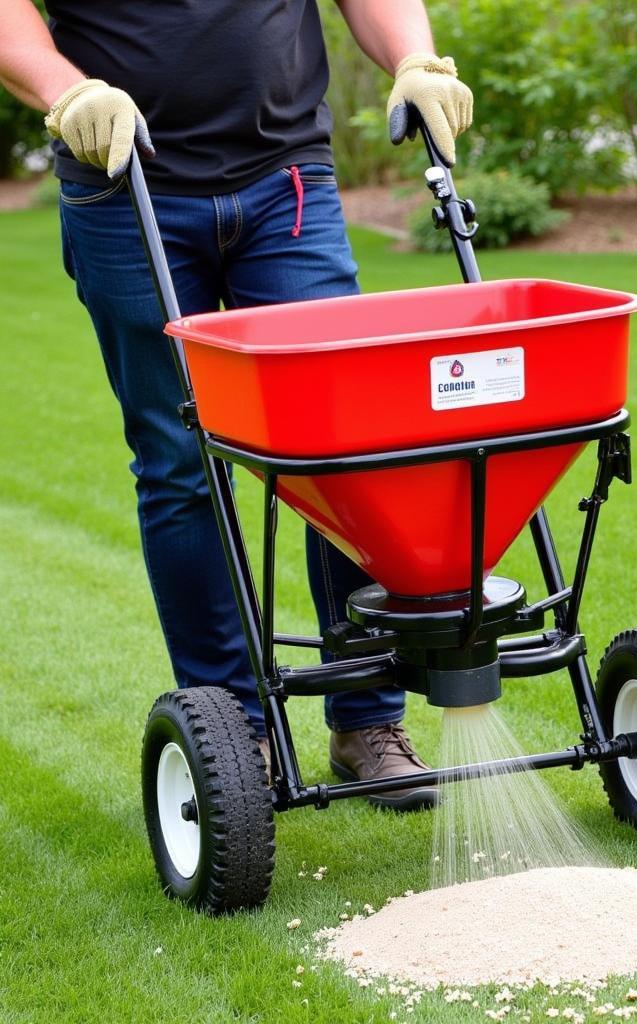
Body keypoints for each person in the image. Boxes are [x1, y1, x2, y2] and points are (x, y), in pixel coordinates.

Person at [0, 0, 473, 811]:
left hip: (285, 179)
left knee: (346, 444)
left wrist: (415, 60)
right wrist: (67, 91)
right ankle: (233, 732)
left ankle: (367, 720)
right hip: (122, 180)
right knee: (180, 462)